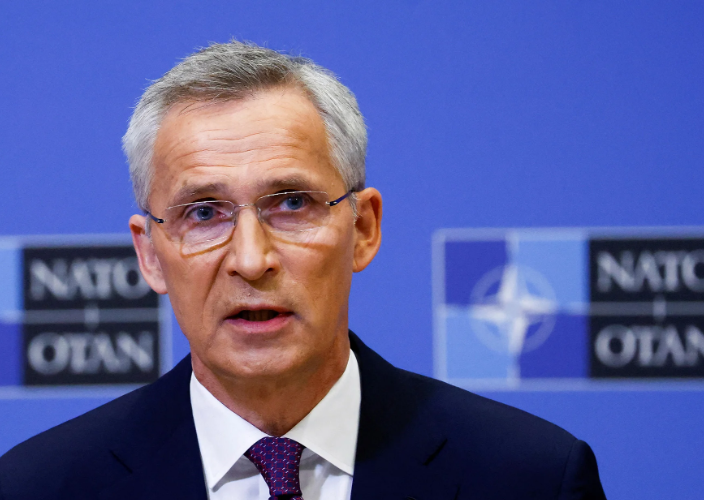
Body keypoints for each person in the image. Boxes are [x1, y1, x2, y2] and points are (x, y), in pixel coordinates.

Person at [0, 41, 606, 500]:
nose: (250, 259)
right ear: (151, 254)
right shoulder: (38, 487)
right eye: (204, 212)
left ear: (363, 229)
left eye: (291, 203)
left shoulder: (530, 477)